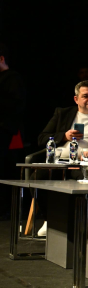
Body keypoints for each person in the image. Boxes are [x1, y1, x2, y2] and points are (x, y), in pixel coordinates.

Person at [38, 80, 88, 168]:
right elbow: (42, 139)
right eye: (85, 96)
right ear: (76, 99)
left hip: (84, 163)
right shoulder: (62, 114)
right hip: (57, 162)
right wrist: (64, 137)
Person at [0, 43, 26, 219]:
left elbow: (16, 106)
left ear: (1, 59)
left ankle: (6, 209)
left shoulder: (13, 79)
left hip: (6, 132)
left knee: (6, 171)